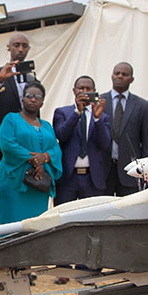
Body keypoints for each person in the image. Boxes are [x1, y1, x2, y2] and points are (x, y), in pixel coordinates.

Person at [0, 33, 35, 227]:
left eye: (24, 46)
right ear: (9, 48)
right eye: (16, 45)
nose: (20, 50)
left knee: (20, 192)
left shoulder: (31, 78)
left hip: (25, 148)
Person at [0, 81, 62, 224]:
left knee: (34, 224)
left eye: (37, 97)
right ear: (22, 99)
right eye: (29, 96)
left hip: (38, 184)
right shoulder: (11, 119)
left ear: (42, 102)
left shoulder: (47, 125)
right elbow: (8, 145)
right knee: (11, 225)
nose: (33, 99)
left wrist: (44, 157)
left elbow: (56, 149)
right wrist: (34, 160)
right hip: (14, 180)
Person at [52, 76, 110, 204]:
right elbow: (61, 136)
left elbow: (105, 144)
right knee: (63, 216)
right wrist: (77, 112)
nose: (84, 91)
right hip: (68, 177)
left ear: (94, 91)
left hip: (92, 178)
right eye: (81, 88)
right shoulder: (62, 112)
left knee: (91, 218)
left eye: (88, 89)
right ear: (74, 91)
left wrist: (97, 119)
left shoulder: (103, 116)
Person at [103, 62, 148, 196]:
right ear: (111, 76)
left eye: (125, 74)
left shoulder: (142, 106)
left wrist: (146, 172)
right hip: (103, 171)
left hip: (130, 172)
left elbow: (147, 143)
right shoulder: (99, 102)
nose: (120, 76)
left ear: (132, 79)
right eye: (117, 73)